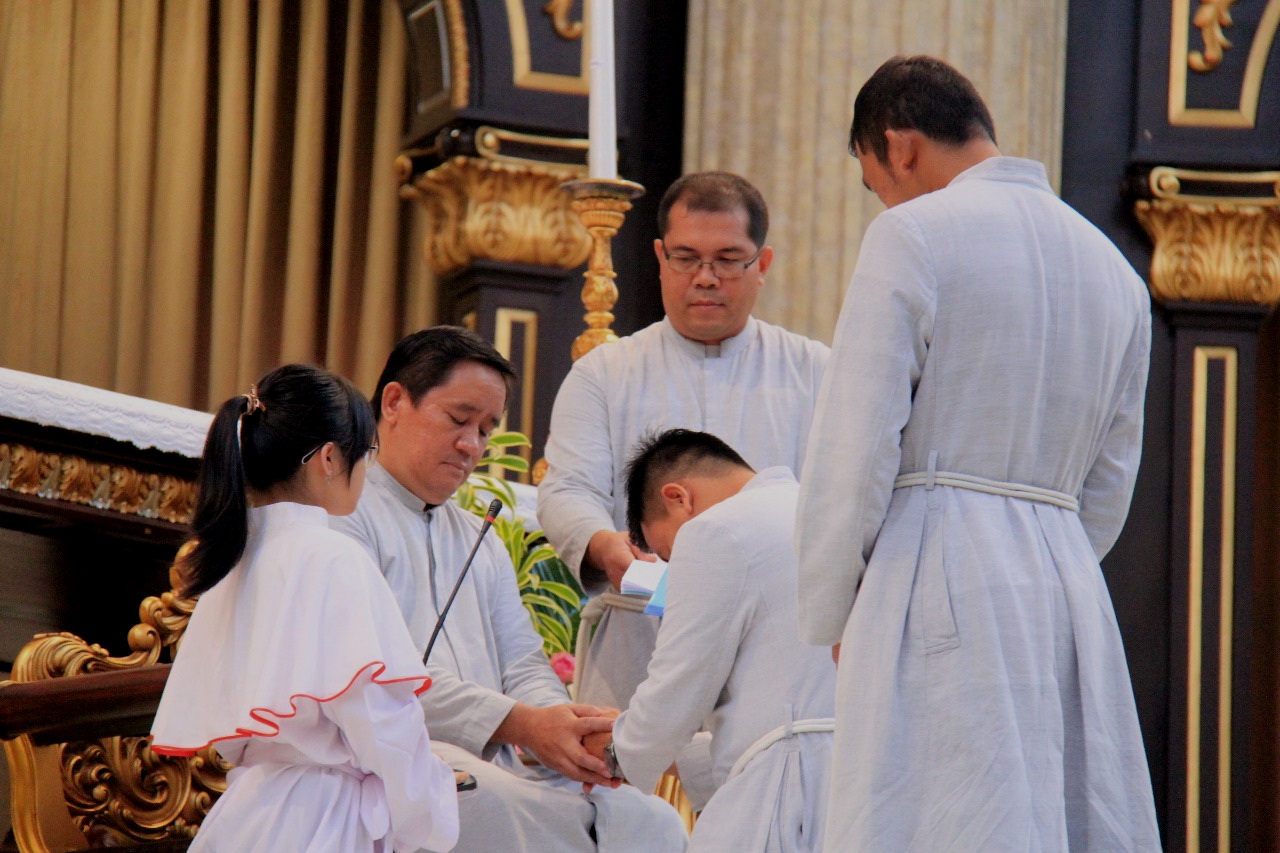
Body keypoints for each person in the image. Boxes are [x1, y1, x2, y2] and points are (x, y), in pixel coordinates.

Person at [796, 55, 1161, 851]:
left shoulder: (913, 235)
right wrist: (1050, 551)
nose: (883, 199)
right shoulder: (1116, 271)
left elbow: (855, 443)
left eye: (875, 180)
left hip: (936, 567)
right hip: (1066, 578)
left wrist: (834, 606)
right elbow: (1111, 480)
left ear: (897, 147)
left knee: (938, 816)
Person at [331, 327, 688, 853]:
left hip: (492, 755)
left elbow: (522, 663)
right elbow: (377, 670)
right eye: (458, 419)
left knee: (647, 818)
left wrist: (561, 728)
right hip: (392, 758)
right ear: (394, 402)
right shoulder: (344, 515)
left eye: (485, 429)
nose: (471, 445)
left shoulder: (480, 539)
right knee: (487, 806)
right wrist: (523, 723)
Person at [539, 171, 830, 709]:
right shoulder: (604, 373)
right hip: (638, 638)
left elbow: (837, 506)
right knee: (630, 787)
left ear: (761, 264)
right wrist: (607, 548)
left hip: (773, 650)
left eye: (727, 258)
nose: (705, 277)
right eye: (686, 257)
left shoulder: (815, 372)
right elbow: (566, 492)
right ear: (659, 257)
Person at [150, 364, 459, 852]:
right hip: (327, 818)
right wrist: (430, 813)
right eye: (368, 453)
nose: (368, 468)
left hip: (248, 812)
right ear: (331, 458)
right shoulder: (334, 557)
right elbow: (380, 720)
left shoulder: (230, 562)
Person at [585, 429, 835, 852]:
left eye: (668, 554)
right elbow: (775, 704)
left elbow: (679, 686)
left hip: (791, 790)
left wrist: (611, 751)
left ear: (678, 498)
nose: (673, 567)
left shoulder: (714, 531)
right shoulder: (821, 508)